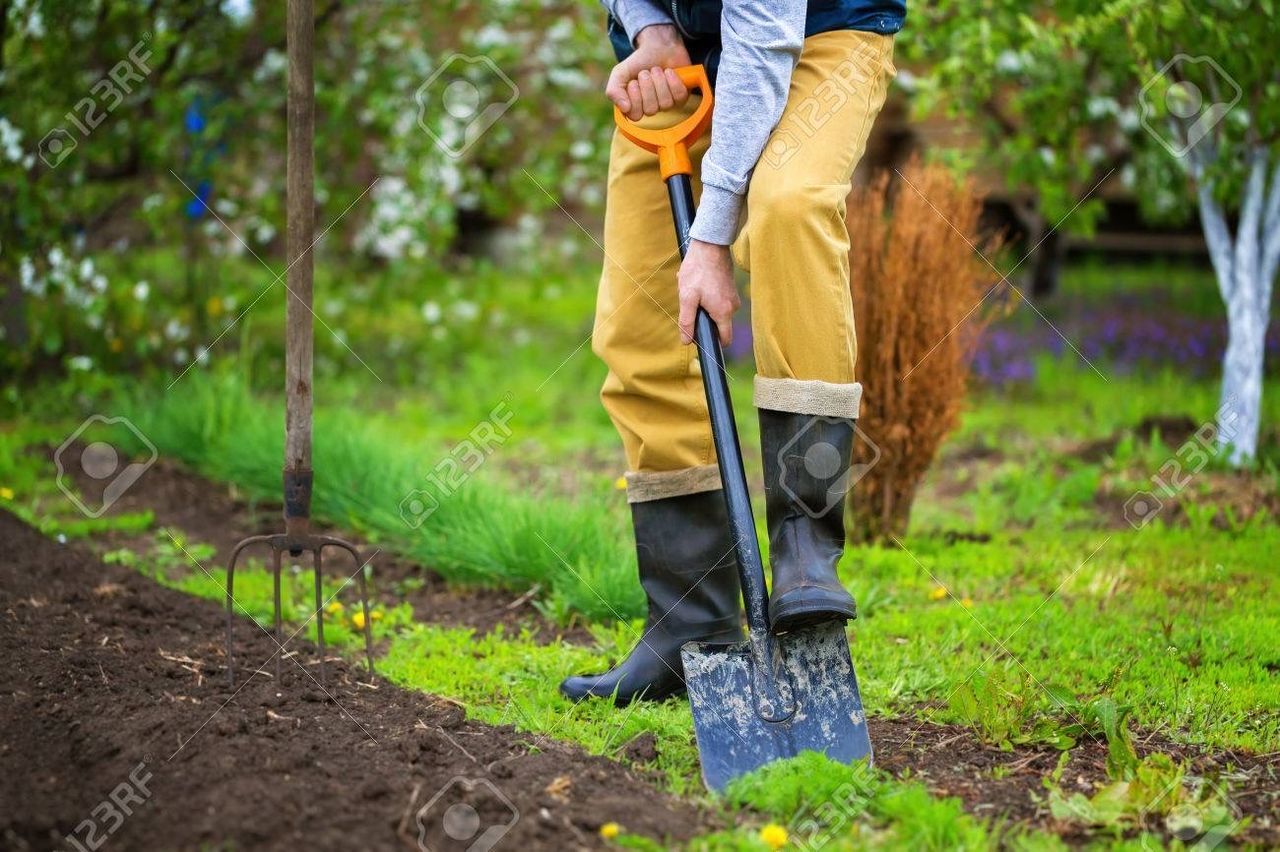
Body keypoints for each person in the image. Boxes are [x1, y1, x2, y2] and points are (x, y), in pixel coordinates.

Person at [560, 0, 905, 704]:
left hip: (818, 35)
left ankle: (806, 544)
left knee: (790, 206)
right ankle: (691, 622)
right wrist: (650, 27)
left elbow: (765, 34)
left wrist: (711, 239)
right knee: (638, 319)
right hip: (685, 49)